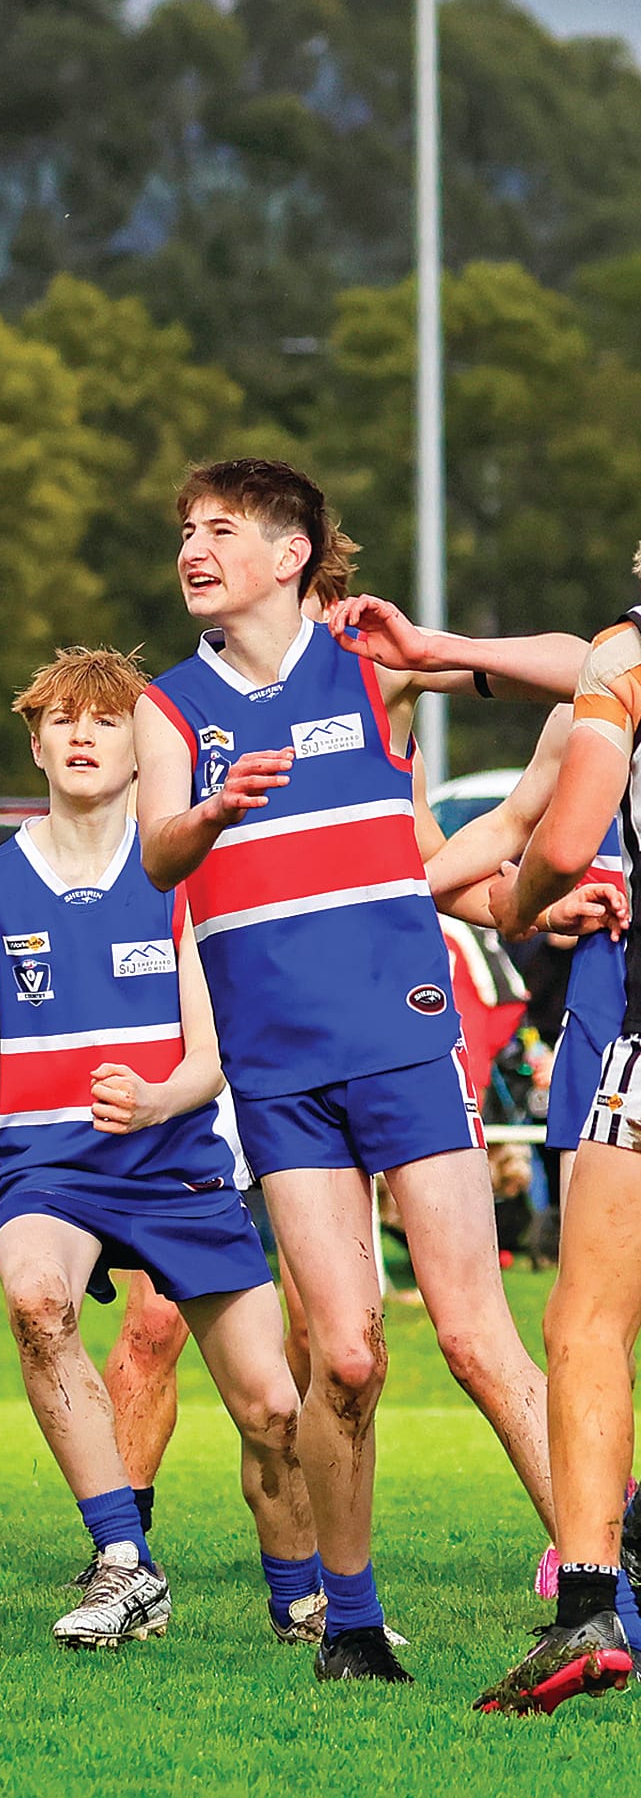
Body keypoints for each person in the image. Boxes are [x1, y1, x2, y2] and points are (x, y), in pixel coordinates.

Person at [134, 457, 588, 1682]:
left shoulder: (367, 661)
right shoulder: (169, 706)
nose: (192, 548)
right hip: (275, 1075)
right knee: (340, 1356)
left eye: (221, 529)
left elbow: (590, 667)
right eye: (185, 530)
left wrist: (435, 644)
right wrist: (209, 812)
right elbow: (160, 854)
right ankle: (347, 1623)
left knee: (475, 1335)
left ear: (290, 554)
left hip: (401, 1045)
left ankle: (601, 1588)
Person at [0, 647, 321, 1651]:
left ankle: (303, 1599)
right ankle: (123, 1560)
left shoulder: (182, 875)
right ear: (33, 744)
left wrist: (155, 1099)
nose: (80, 735)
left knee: (273, 1413)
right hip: (48, 1166)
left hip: (175, 1165)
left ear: (138, 748)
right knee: (34, 1299)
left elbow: (211, 1057)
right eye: (60, 719)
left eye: (105, 720)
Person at [474, 601, 641, 1712]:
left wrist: (523, 902)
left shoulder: (626, 656)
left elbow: (567, 839)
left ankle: (587, 1608)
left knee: (585, 1322)